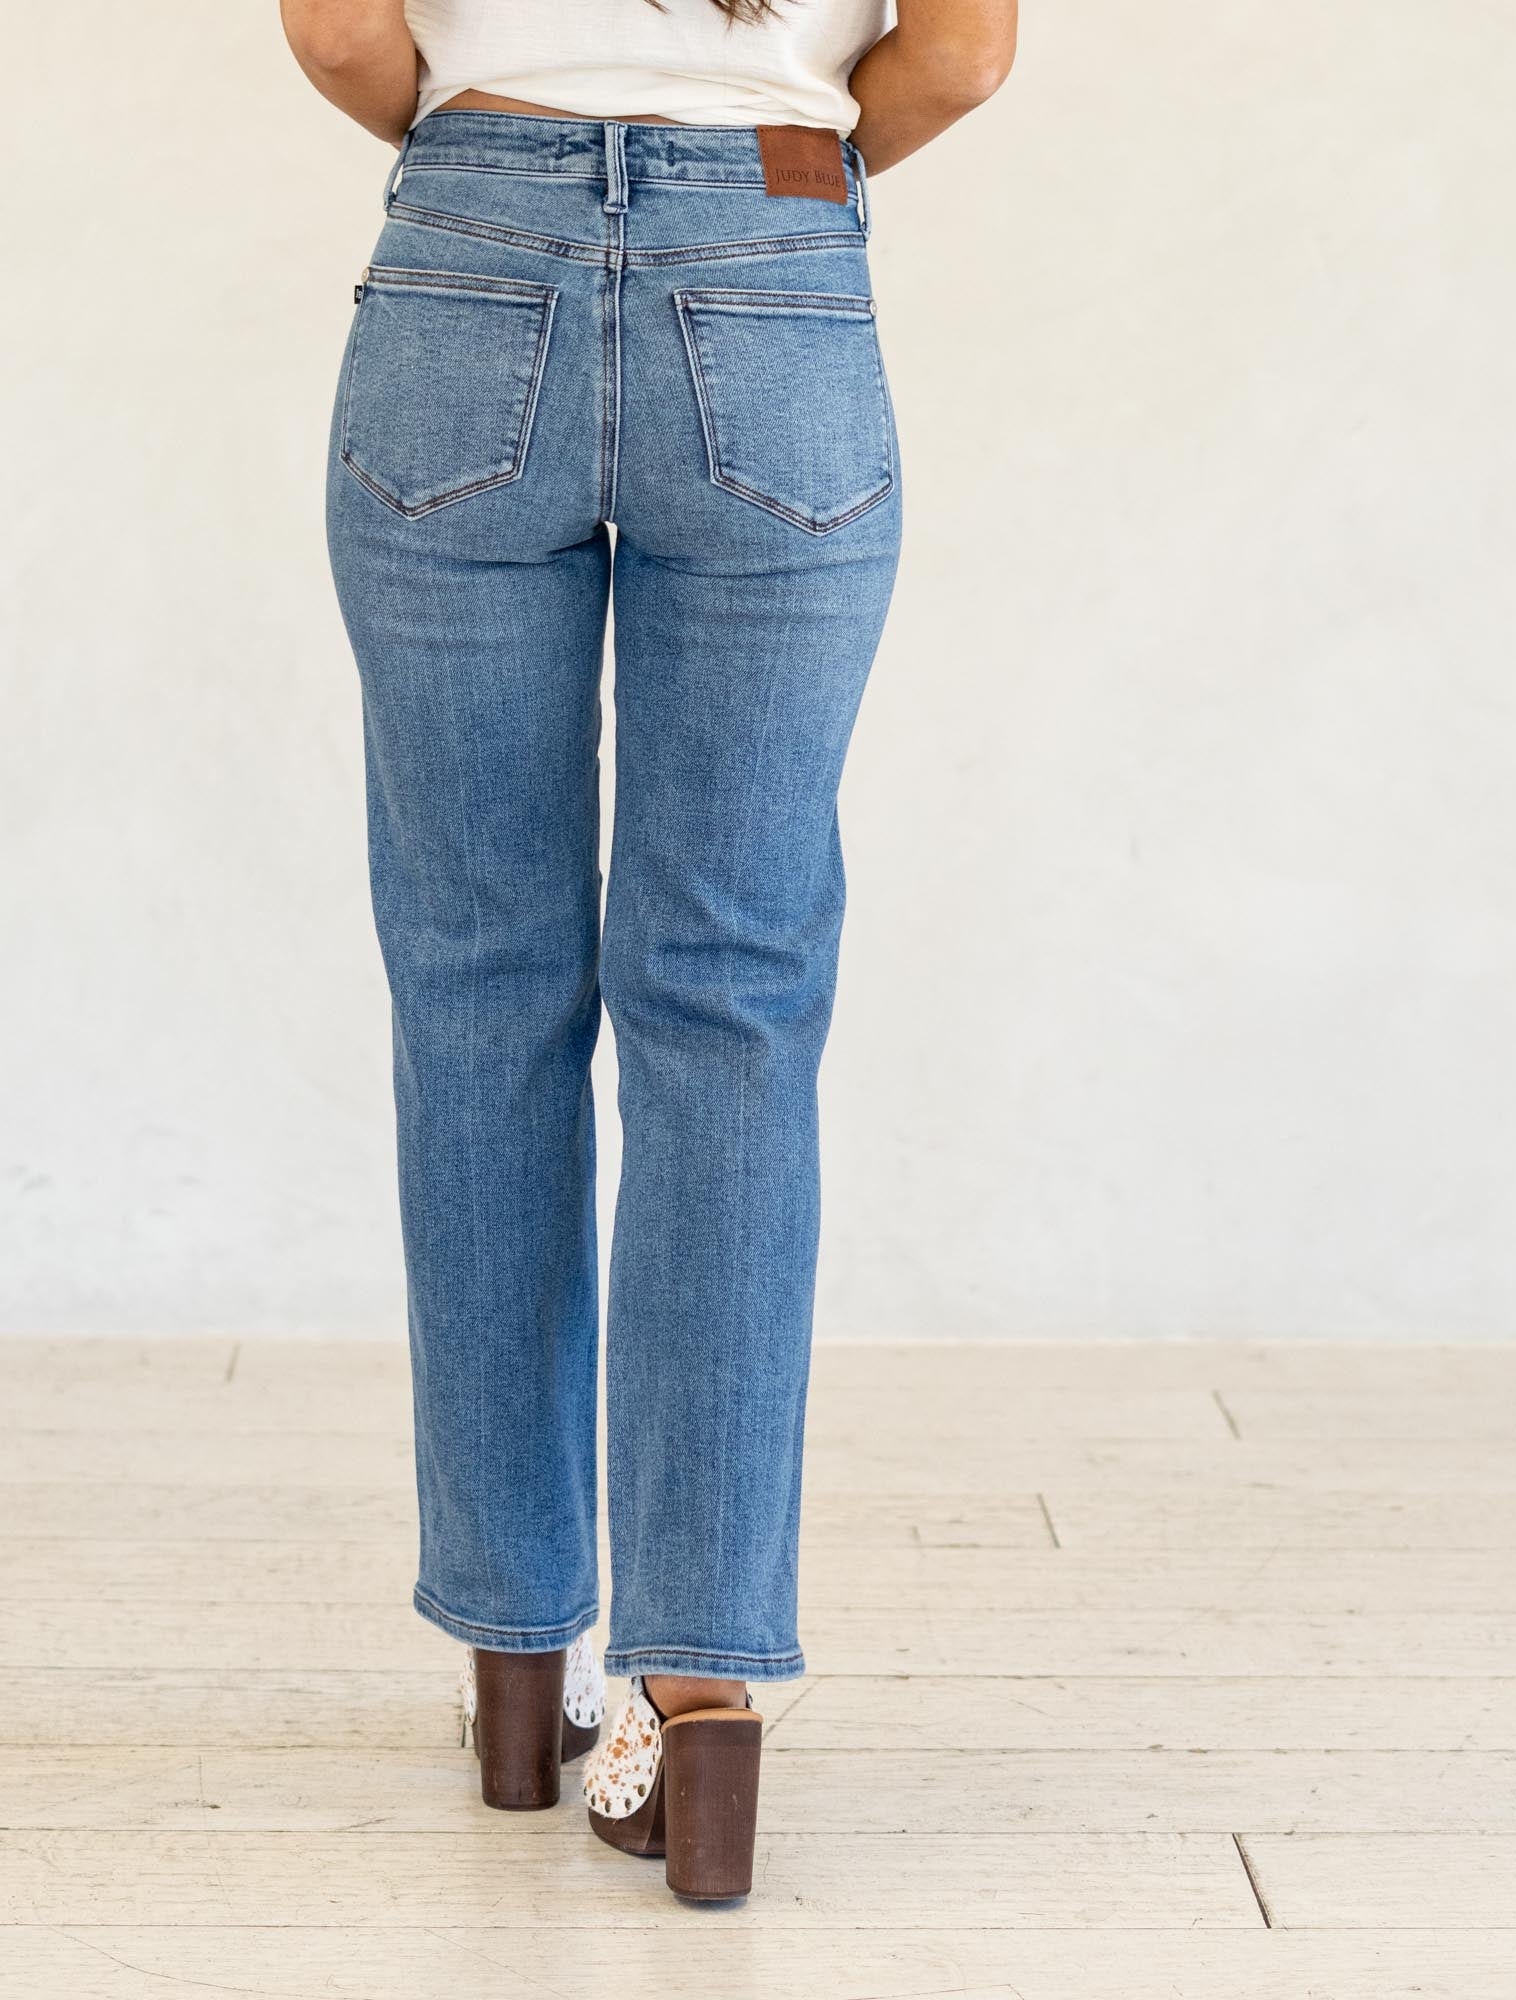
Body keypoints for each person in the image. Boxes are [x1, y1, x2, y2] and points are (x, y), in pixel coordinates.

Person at [281, 0, 1015, 1904]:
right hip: (775, 275)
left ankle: (513, 1658)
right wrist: (761, 160)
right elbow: (959, 58)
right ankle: (693, 1697)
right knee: (732, 1004)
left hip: (462, 276)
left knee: (478, 987)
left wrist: (503, 163)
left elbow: (344, 35)